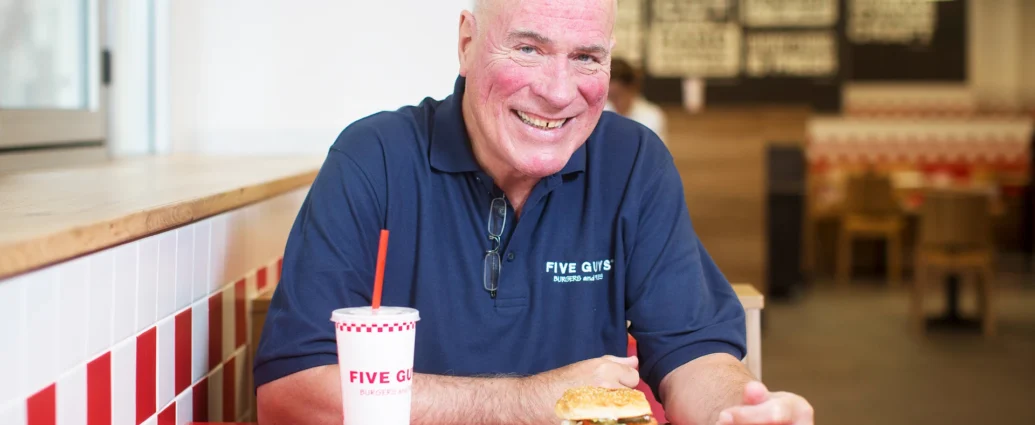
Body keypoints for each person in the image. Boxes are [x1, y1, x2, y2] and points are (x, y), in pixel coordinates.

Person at [254, 0, 814, 424]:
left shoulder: (633, 162)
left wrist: (737, 412)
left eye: (586, 57)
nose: (558, 92)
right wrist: (531, 402)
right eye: (528, 49)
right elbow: (291, 394)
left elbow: (694, 355)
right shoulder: (373, 158)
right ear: (467, 43)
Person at [606, 57, 668, 145]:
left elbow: (658, 151)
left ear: (631, 88)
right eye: (611, 97)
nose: (616, 103)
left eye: (618, 96)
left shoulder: (651, 116)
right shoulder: (599, 113)